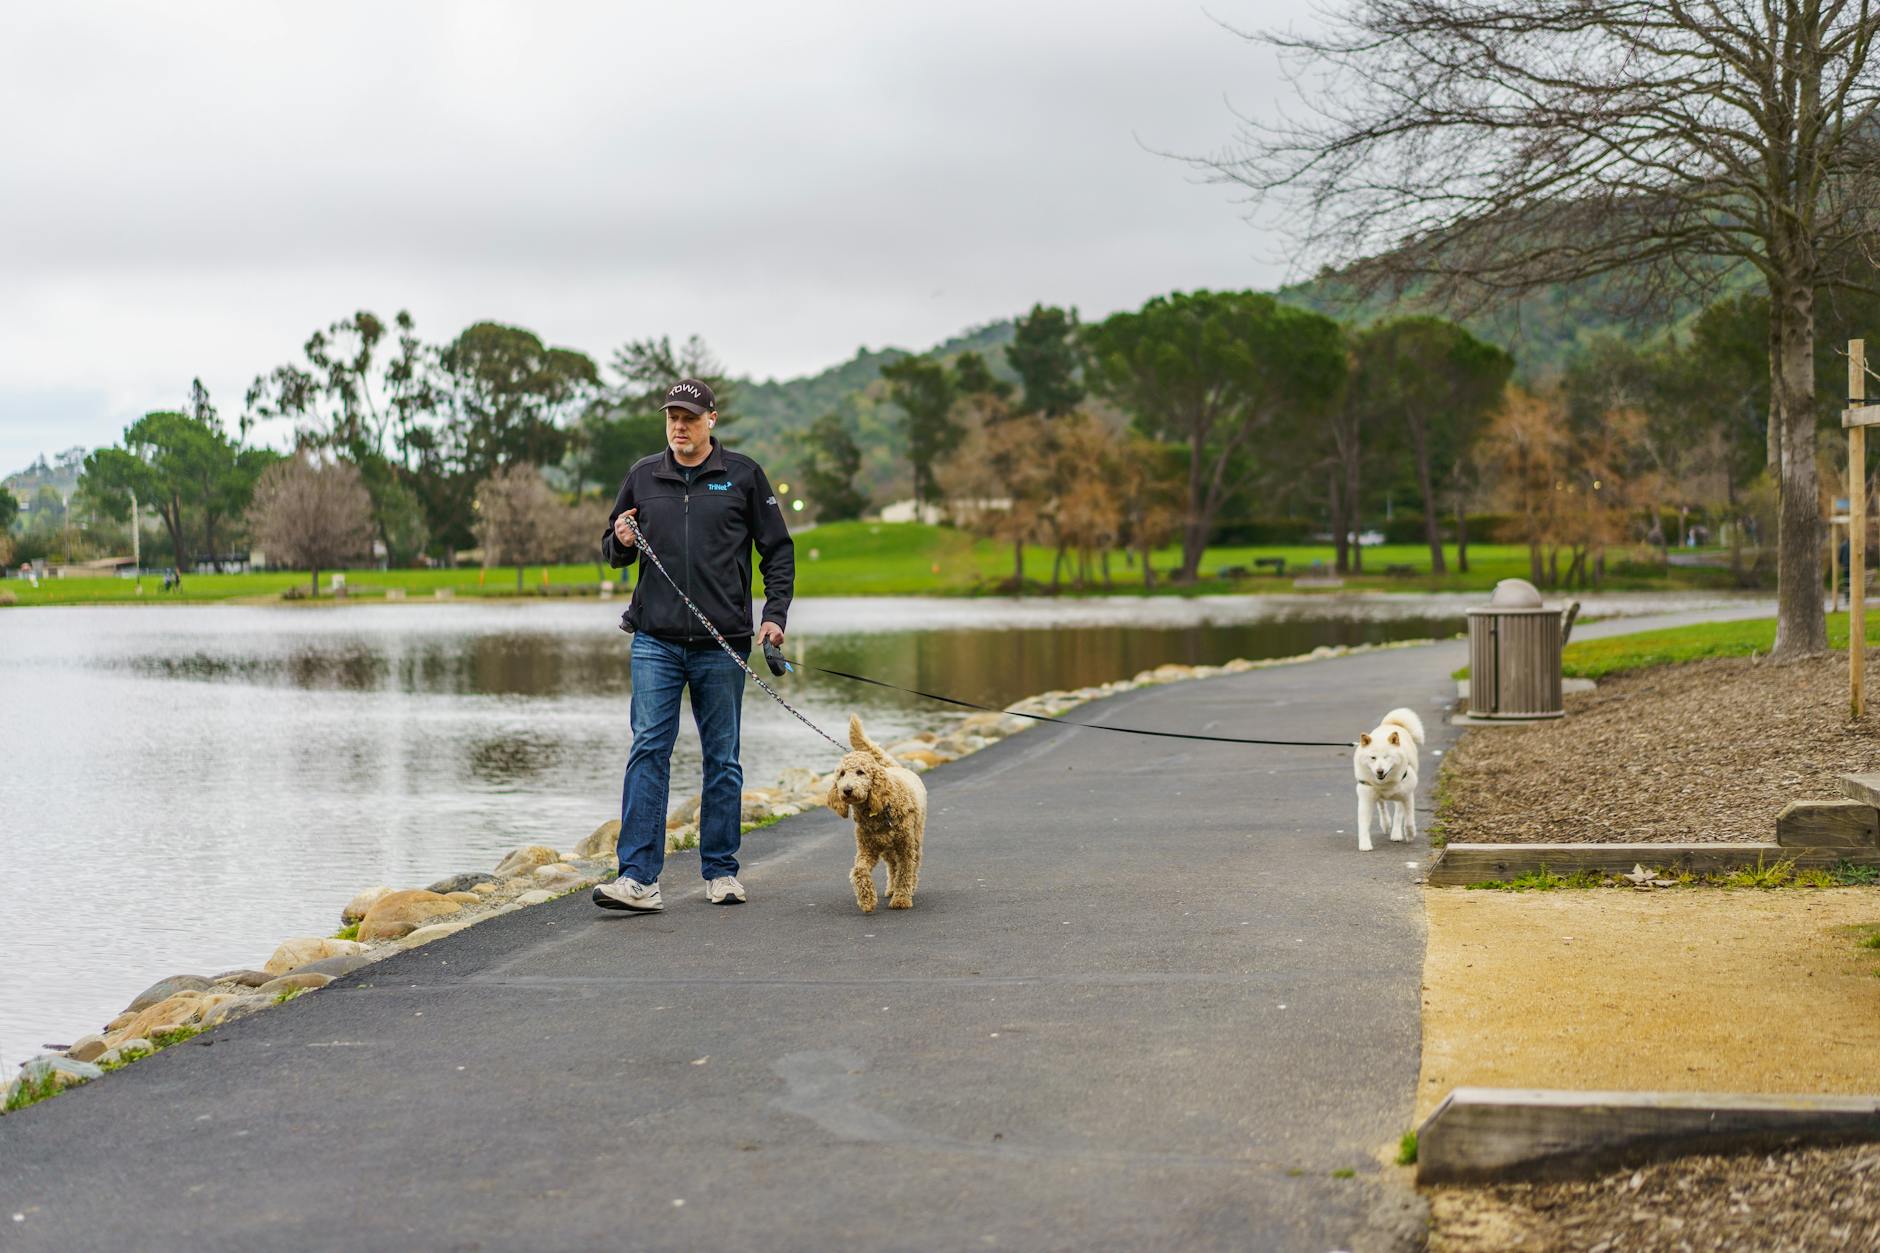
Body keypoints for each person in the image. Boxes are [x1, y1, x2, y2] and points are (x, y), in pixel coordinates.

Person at [592, 378, 795, 913]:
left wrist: (774, 618)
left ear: (711, 420)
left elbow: (777, 550)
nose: (679, 427)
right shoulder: (643, 476)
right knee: (648, 750)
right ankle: (638, 879)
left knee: (722, 758)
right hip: (655, 640)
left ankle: (721, 872)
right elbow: (613, 549)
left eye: (689, 418)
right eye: (672, 418)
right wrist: (621, 540)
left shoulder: (743, 475)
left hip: (722, 642)